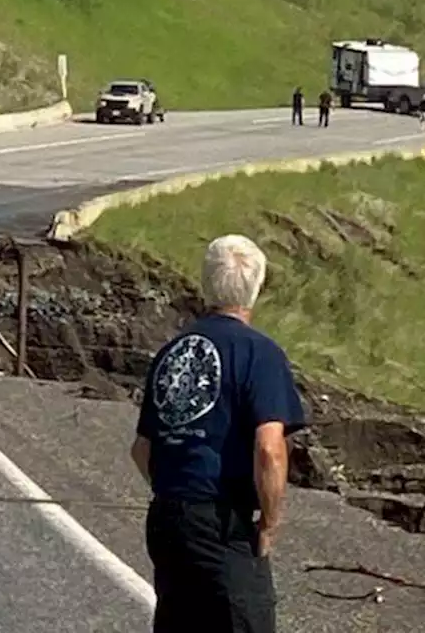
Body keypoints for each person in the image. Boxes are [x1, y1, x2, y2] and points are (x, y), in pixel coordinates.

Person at [131, 234, 307, 633]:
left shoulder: (173, 351)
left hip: (169, 515)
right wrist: (269, 521)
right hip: (221, 519)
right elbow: (269, 449)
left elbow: (142, 449)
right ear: (255, 288)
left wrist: (176, 489)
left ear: (205, 282)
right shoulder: (258, 353)